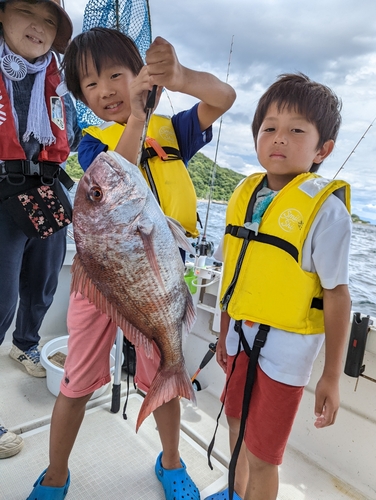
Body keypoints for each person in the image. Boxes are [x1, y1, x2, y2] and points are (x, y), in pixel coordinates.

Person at [27, 27, 236, 499]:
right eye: (90, 86)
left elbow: (224, 97)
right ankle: (56, 473)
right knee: (77, 379)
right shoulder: (91, 142)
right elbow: (110, 180)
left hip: (158, 282)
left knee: (164, 365)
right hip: (100, 279)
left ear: (140, 75)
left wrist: (180, 76)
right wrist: (138, 120)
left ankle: (170, 460)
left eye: (115, 75)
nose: (104, 91)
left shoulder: (176, 132)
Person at [205, 73, 352, 500]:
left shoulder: (326, 213)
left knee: (264, 453)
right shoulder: (244, 194)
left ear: (322, 149)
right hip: (237, 336)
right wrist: (222, 333)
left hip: (285, 353)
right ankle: (235, 491)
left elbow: (338, 295)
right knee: (234, 421)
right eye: (269, 127)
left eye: (296, 130)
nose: (279, 139)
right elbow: (234, 271)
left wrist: (331, 377)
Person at [0, 0, 80, 459]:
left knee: (44, 281)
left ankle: (25, 345)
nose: (38, 26)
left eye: (49, 20)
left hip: (47, 191)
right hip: (0, 196)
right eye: (27, 11)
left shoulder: (60, 83)